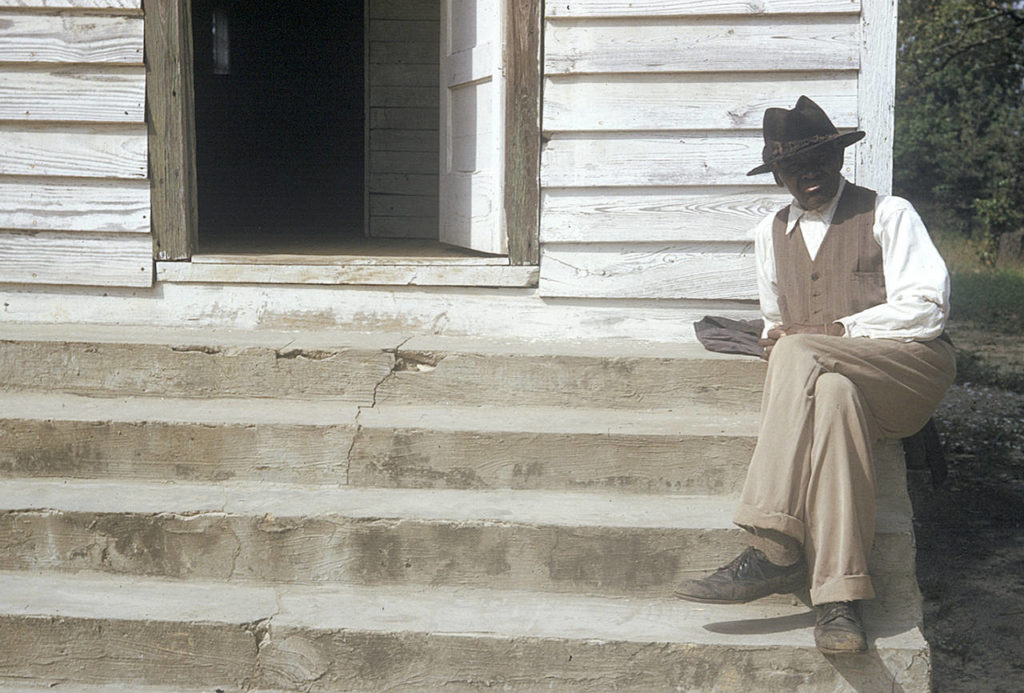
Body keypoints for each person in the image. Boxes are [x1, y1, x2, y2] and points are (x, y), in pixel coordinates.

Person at [673, 96, 956, 655]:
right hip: (842, 380)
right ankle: (839, 602)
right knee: (831, 397)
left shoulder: (888, 213)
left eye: (819, 159)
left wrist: (831, 329)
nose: (808, 174)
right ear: (776, 175)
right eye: (793, 166)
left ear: (839, 158)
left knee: (804, 352)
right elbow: (779, 322)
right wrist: (792, 336)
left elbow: (928, 308)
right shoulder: (768, 235)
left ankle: (774, 541)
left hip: (909, 368)